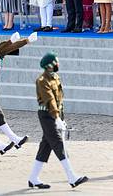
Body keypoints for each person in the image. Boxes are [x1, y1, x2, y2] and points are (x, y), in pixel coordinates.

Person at [28, 52, 88, 189]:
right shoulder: (42, 81)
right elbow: (50, 100)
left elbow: (59, 99)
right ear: (50, 65)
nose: (58, 65)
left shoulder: (55, 78)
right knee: (58, 144)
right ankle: (72, 177)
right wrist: (56, 117)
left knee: (45, 146)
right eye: (56, 62)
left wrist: (61, 117)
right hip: (46, 115)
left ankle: (33, 178)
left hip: (55, 115)